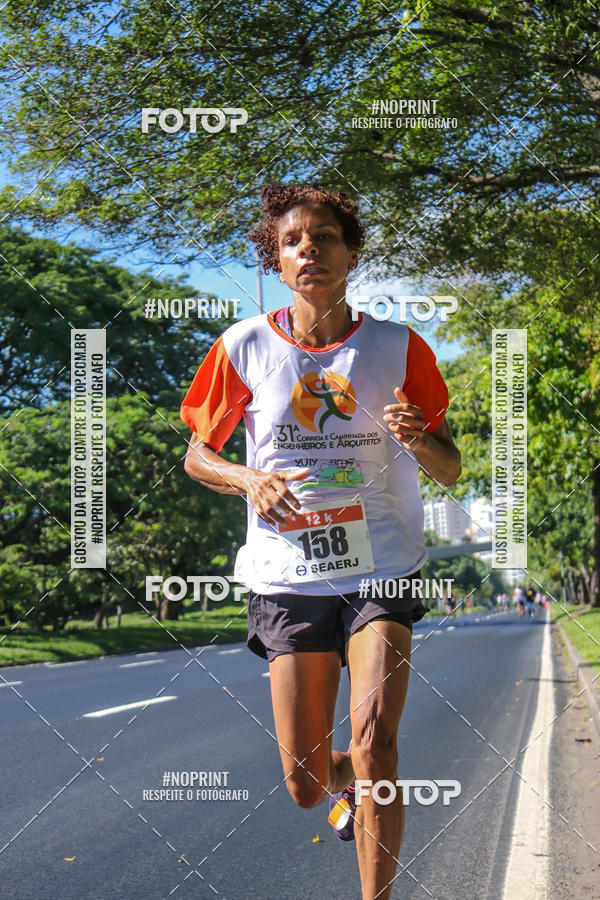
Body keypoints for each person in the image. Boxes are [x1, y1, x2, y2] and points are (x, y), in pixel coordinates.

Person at [180, 183, 461, 900]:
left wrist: (418, 438)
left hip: (383, 565)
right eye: (295, 240)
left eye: (326, 236)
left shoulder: (398, 347)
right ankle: (339, 787)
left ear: (351, 254)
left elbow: (450, 465)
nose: (311, 248)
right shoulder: (243, 346)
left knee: (376, 746)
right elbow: (196, 455)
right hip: (288, 573)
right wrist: (247, 479)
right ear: (277, 261)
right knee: (305, 783)